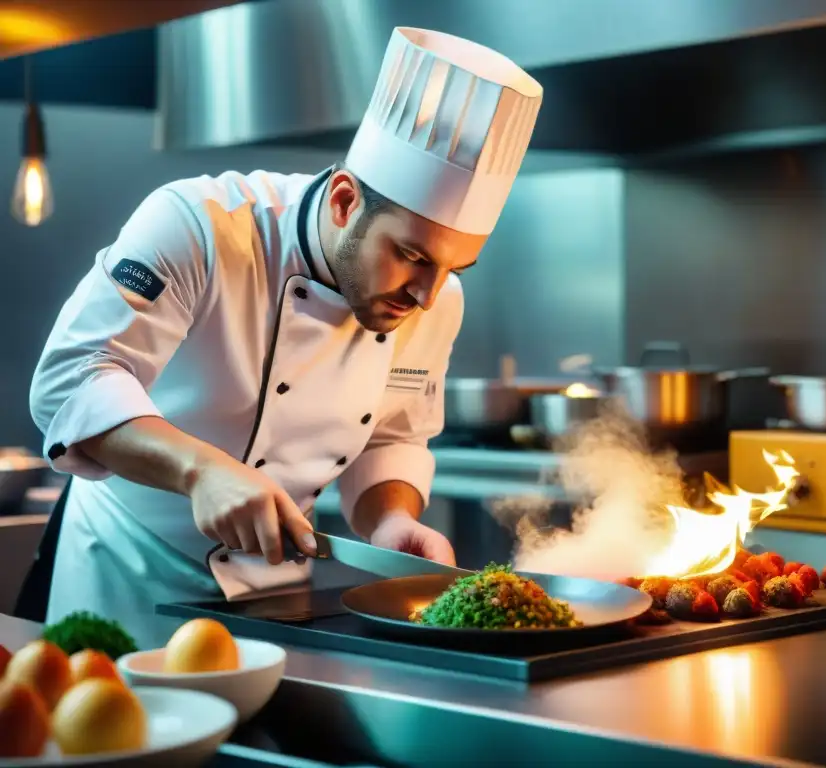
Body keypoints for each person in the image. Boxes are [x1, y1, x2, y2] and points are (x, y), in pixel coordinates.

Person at [21, 27, 542, 647]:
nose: (427, 294)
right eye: (410, 255)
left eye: (453, 270)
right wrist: (201, 472)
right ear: (346, 201)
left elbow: (393, 434)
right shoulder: (201, 225)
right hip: (130, 577)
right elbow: (72, 379)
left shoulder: (435, 298)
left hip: (277, 606)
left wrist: (390, 519)